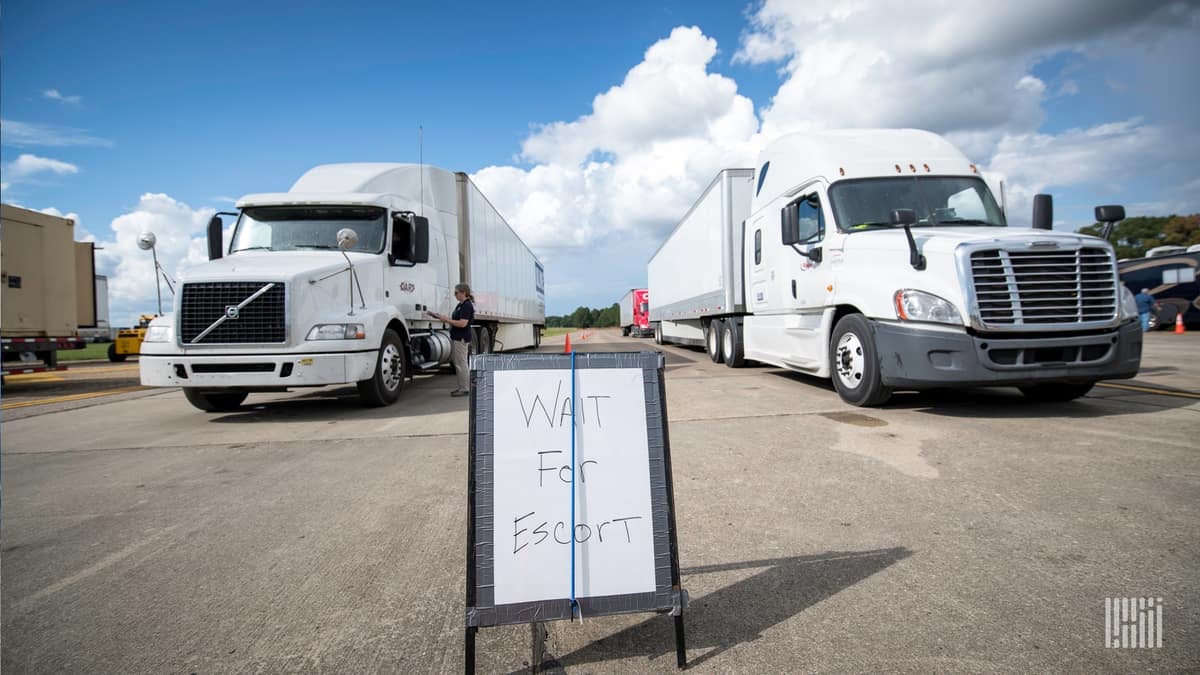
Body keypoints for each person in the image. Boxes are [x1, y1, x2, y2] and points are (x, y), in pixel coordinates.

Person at [428, 283, 475, 396]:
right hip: (457, 337)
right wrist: (441, 317)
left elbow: (463, 323)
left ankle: (465, 389)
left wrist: (447, 320)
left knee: (461, 363)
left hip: (461, 338)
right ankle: (463, 387)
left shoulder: (466, 306)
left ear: (463, 292)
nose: (455, 295)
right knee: (459, 363)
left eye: (456, 293)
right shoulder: (461, 305)